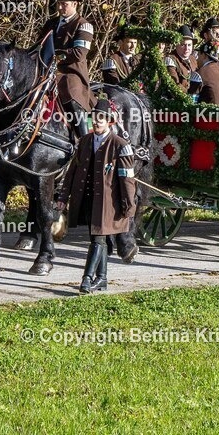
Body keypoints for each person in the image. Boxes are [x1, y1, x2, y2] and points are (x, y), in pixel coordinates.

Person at [57, 99, 138, 294]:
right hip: (88, 200)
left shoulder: (120, 146)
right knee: (97, 238)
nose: (97, 121)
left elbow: (127, 179)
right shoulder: (84, 142)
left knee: (98, 240)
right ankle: (102, 279)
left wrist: (129, 206)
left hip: (110, 203)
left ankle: (87, 279)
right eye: (94, 117)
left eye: (101, 118)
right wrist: (63, 196)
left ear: (109, 121)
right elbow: (72, 173)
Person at [39, 0, 95, 140]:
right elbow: (39, 45)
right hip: (46, 70)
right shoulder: (50, 23)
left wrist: (54, 55)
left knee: (72, 94)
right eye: (59, 4)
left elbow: (78, 54)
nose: (60, 7)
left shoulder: (84, 26)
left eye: (64, 4)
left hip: (71, 73)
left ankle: (84, 141)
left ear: (75, 4)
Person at [165, 25, 199, 94]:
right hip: (176, 99)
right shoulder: (170, 59)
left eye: (189, 45)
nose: (187, 48)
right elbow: (174, 84)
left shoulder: (193, 59)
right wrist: (188, 95)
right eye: (183, 45)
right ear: (176, 45)